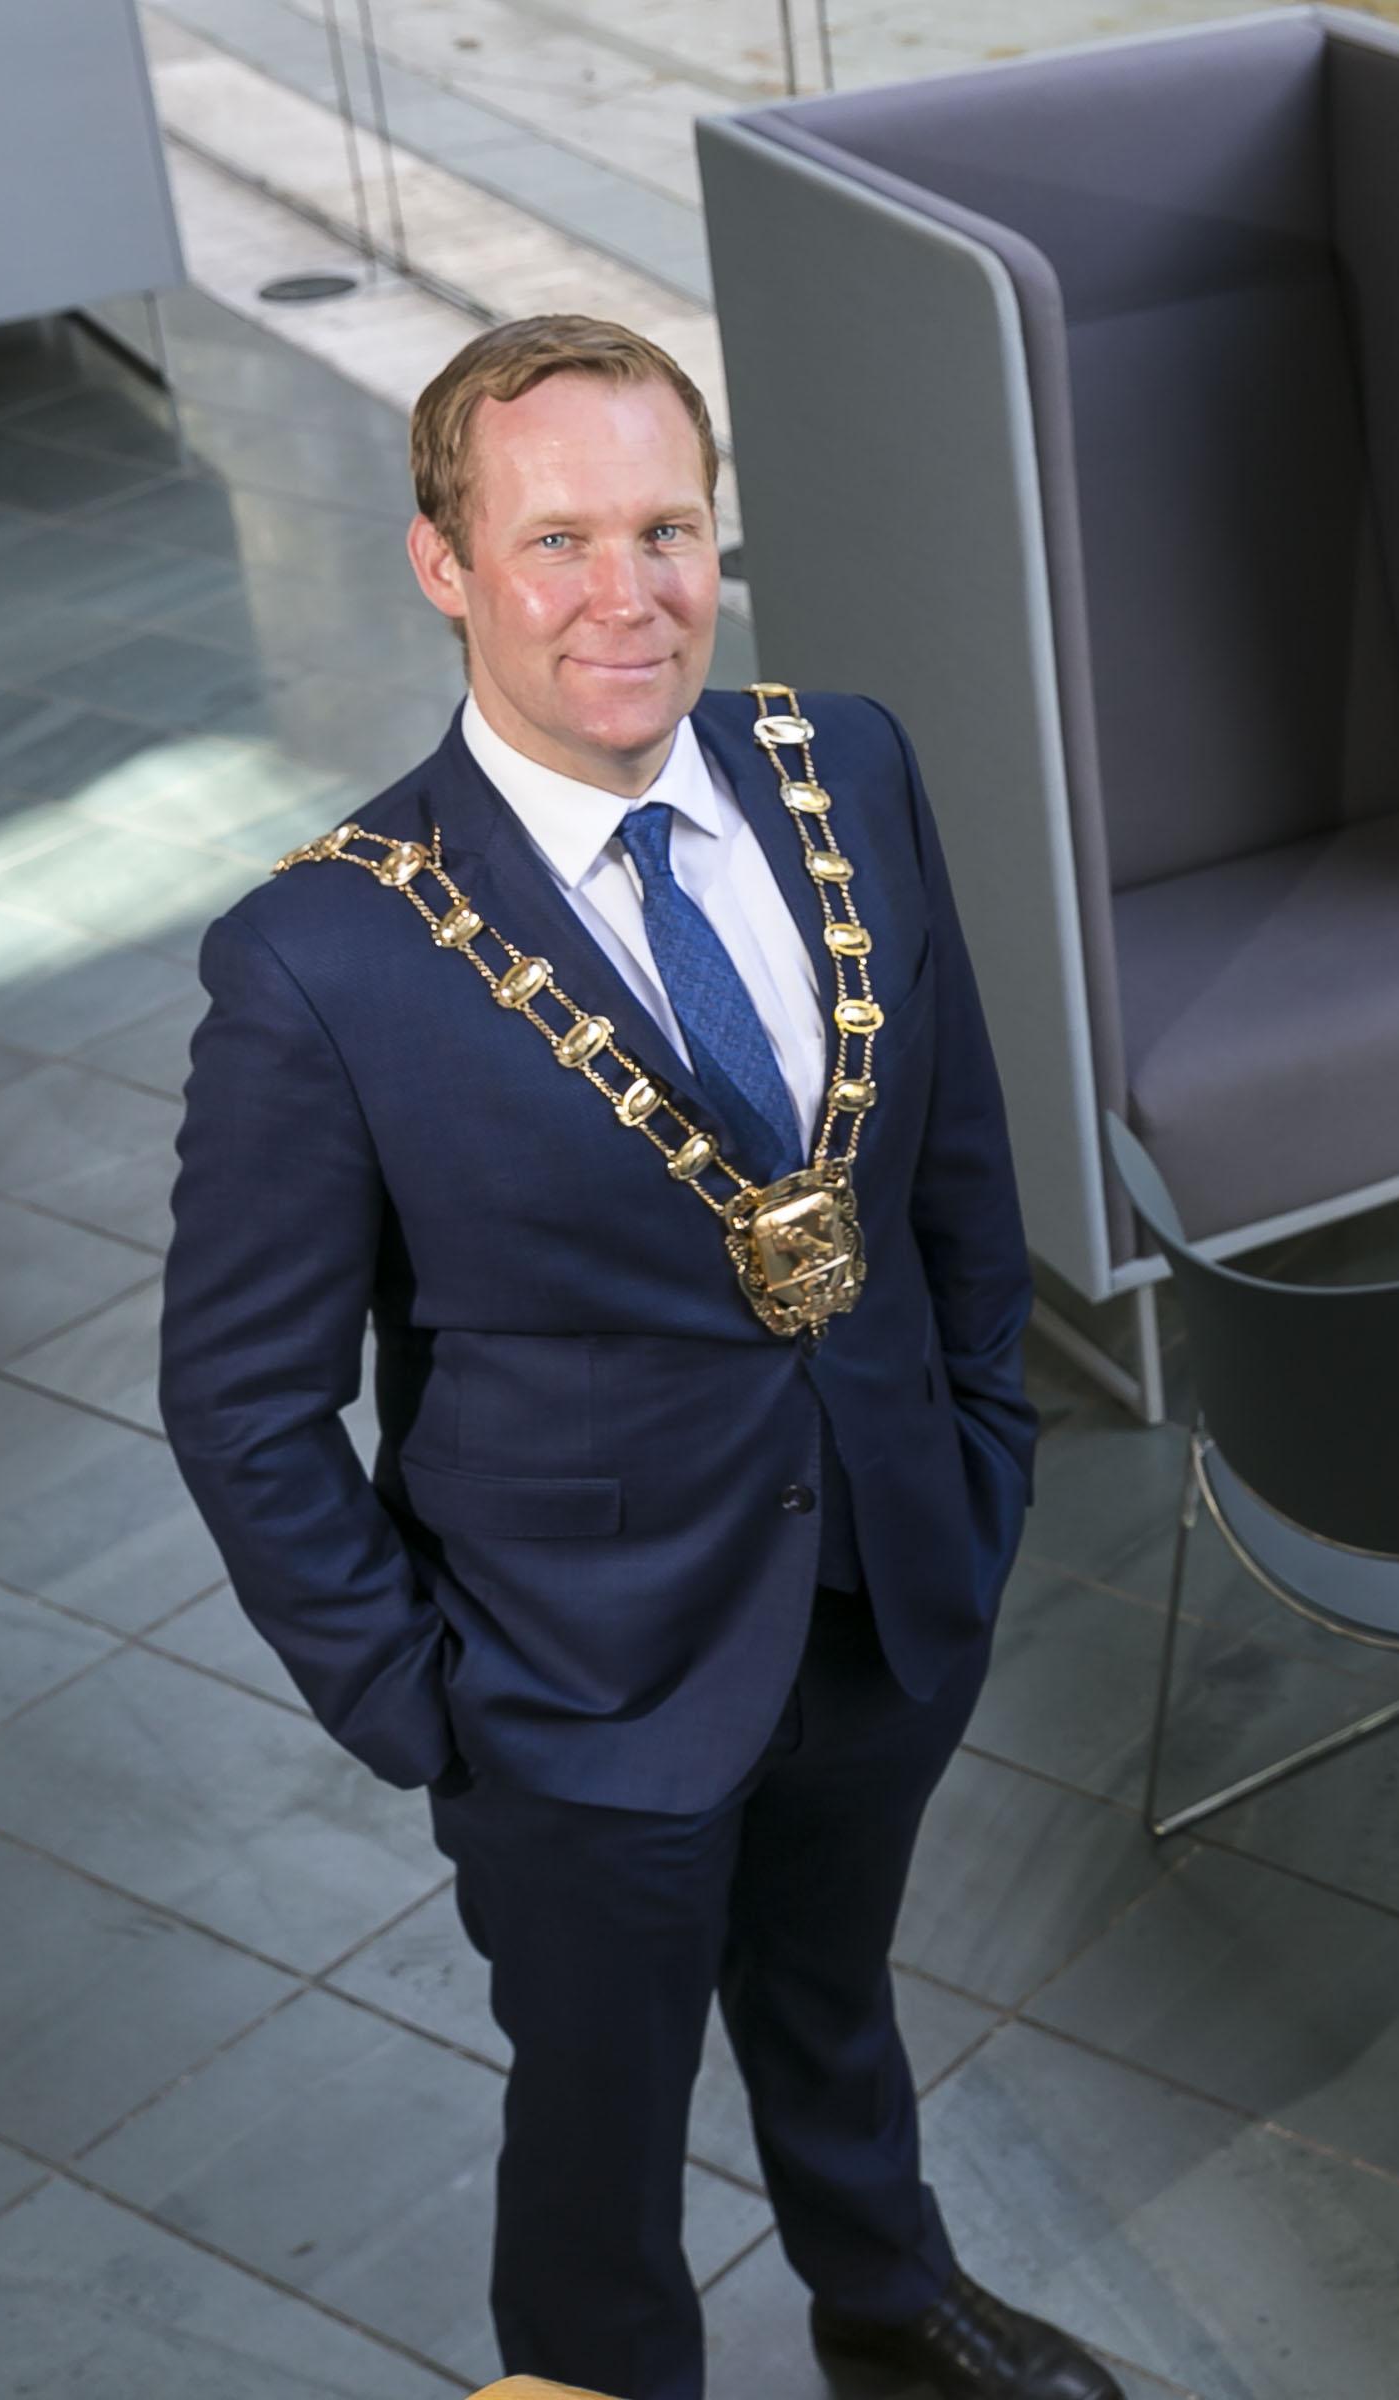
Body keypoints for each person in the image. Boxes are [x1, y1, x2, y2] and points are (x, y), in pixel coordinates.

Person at [159, 316, 1114, 2400]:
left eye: (667, 529)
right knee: (595, 2112)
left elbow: (953, 1157)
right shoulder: (320, 959)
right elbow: (241, 1400)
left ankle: (884, 2297)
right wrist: (432, 1712)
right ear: (445, 566)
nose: (628, 595)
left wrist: (980, 1444)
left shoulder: (846, 764)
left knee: (834, 1990)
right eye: (559, 539)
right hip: (571, 1681)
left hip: (880, 1575)